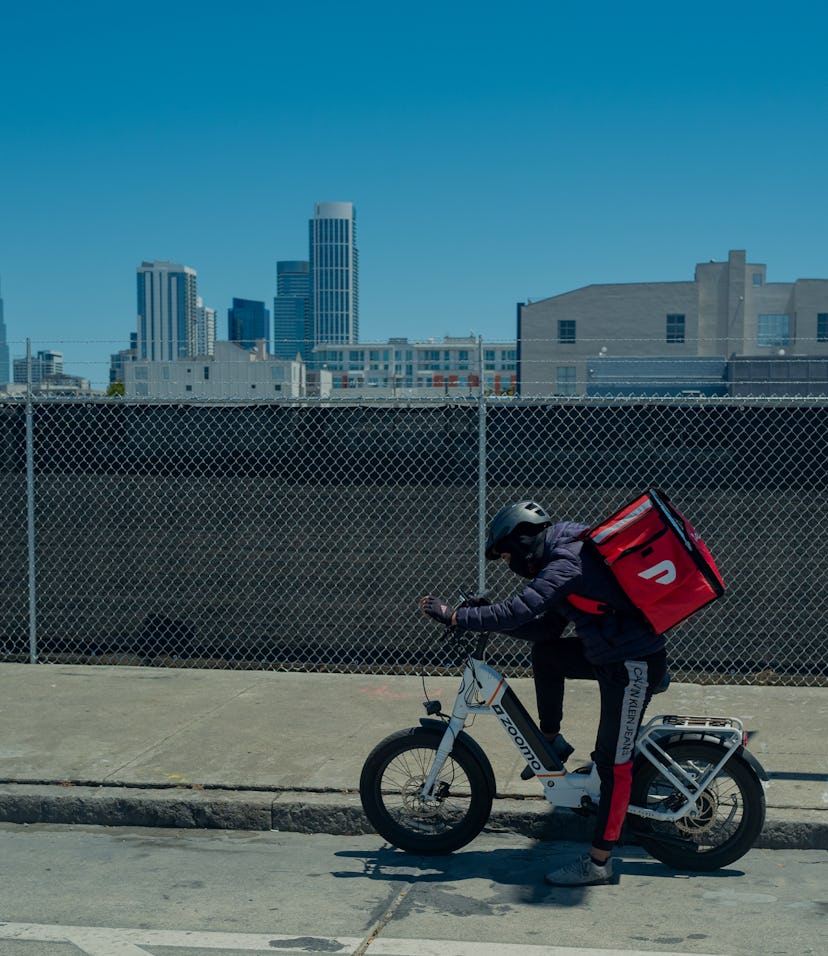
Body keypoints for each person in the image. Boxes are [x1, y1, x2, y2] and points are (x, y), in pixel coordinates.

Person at [419, 499, 668, 887]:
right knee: (548, 655)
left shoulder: (566, 561)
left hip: (632, 665)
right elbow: (545, 629)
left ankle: (600, 864)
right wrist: (488, 620)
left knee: (612, 762)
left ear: (521, 539)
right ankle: (551, 741)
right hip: (610, 653)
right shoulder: (562, 552)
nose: (509, 562)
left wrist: (457, 616)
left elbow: (519, 610)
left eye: (505, 554)